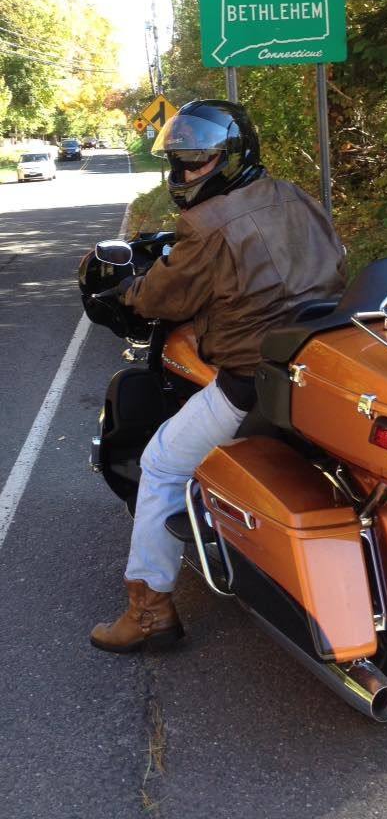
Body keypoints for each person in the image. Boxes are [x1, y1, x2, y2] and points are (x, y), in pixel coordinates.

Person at [90, 99, 347, 653]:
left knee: (161, 462)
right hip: (322, 357)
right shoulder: (294, 196)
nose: (184, 173)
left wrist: (126, 292)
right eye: (178, 161)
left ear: (230, 157)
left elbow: (163, 296)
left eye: (196, 161)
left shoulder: (206, 225)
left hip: (253, 377)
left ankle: (149, 611)